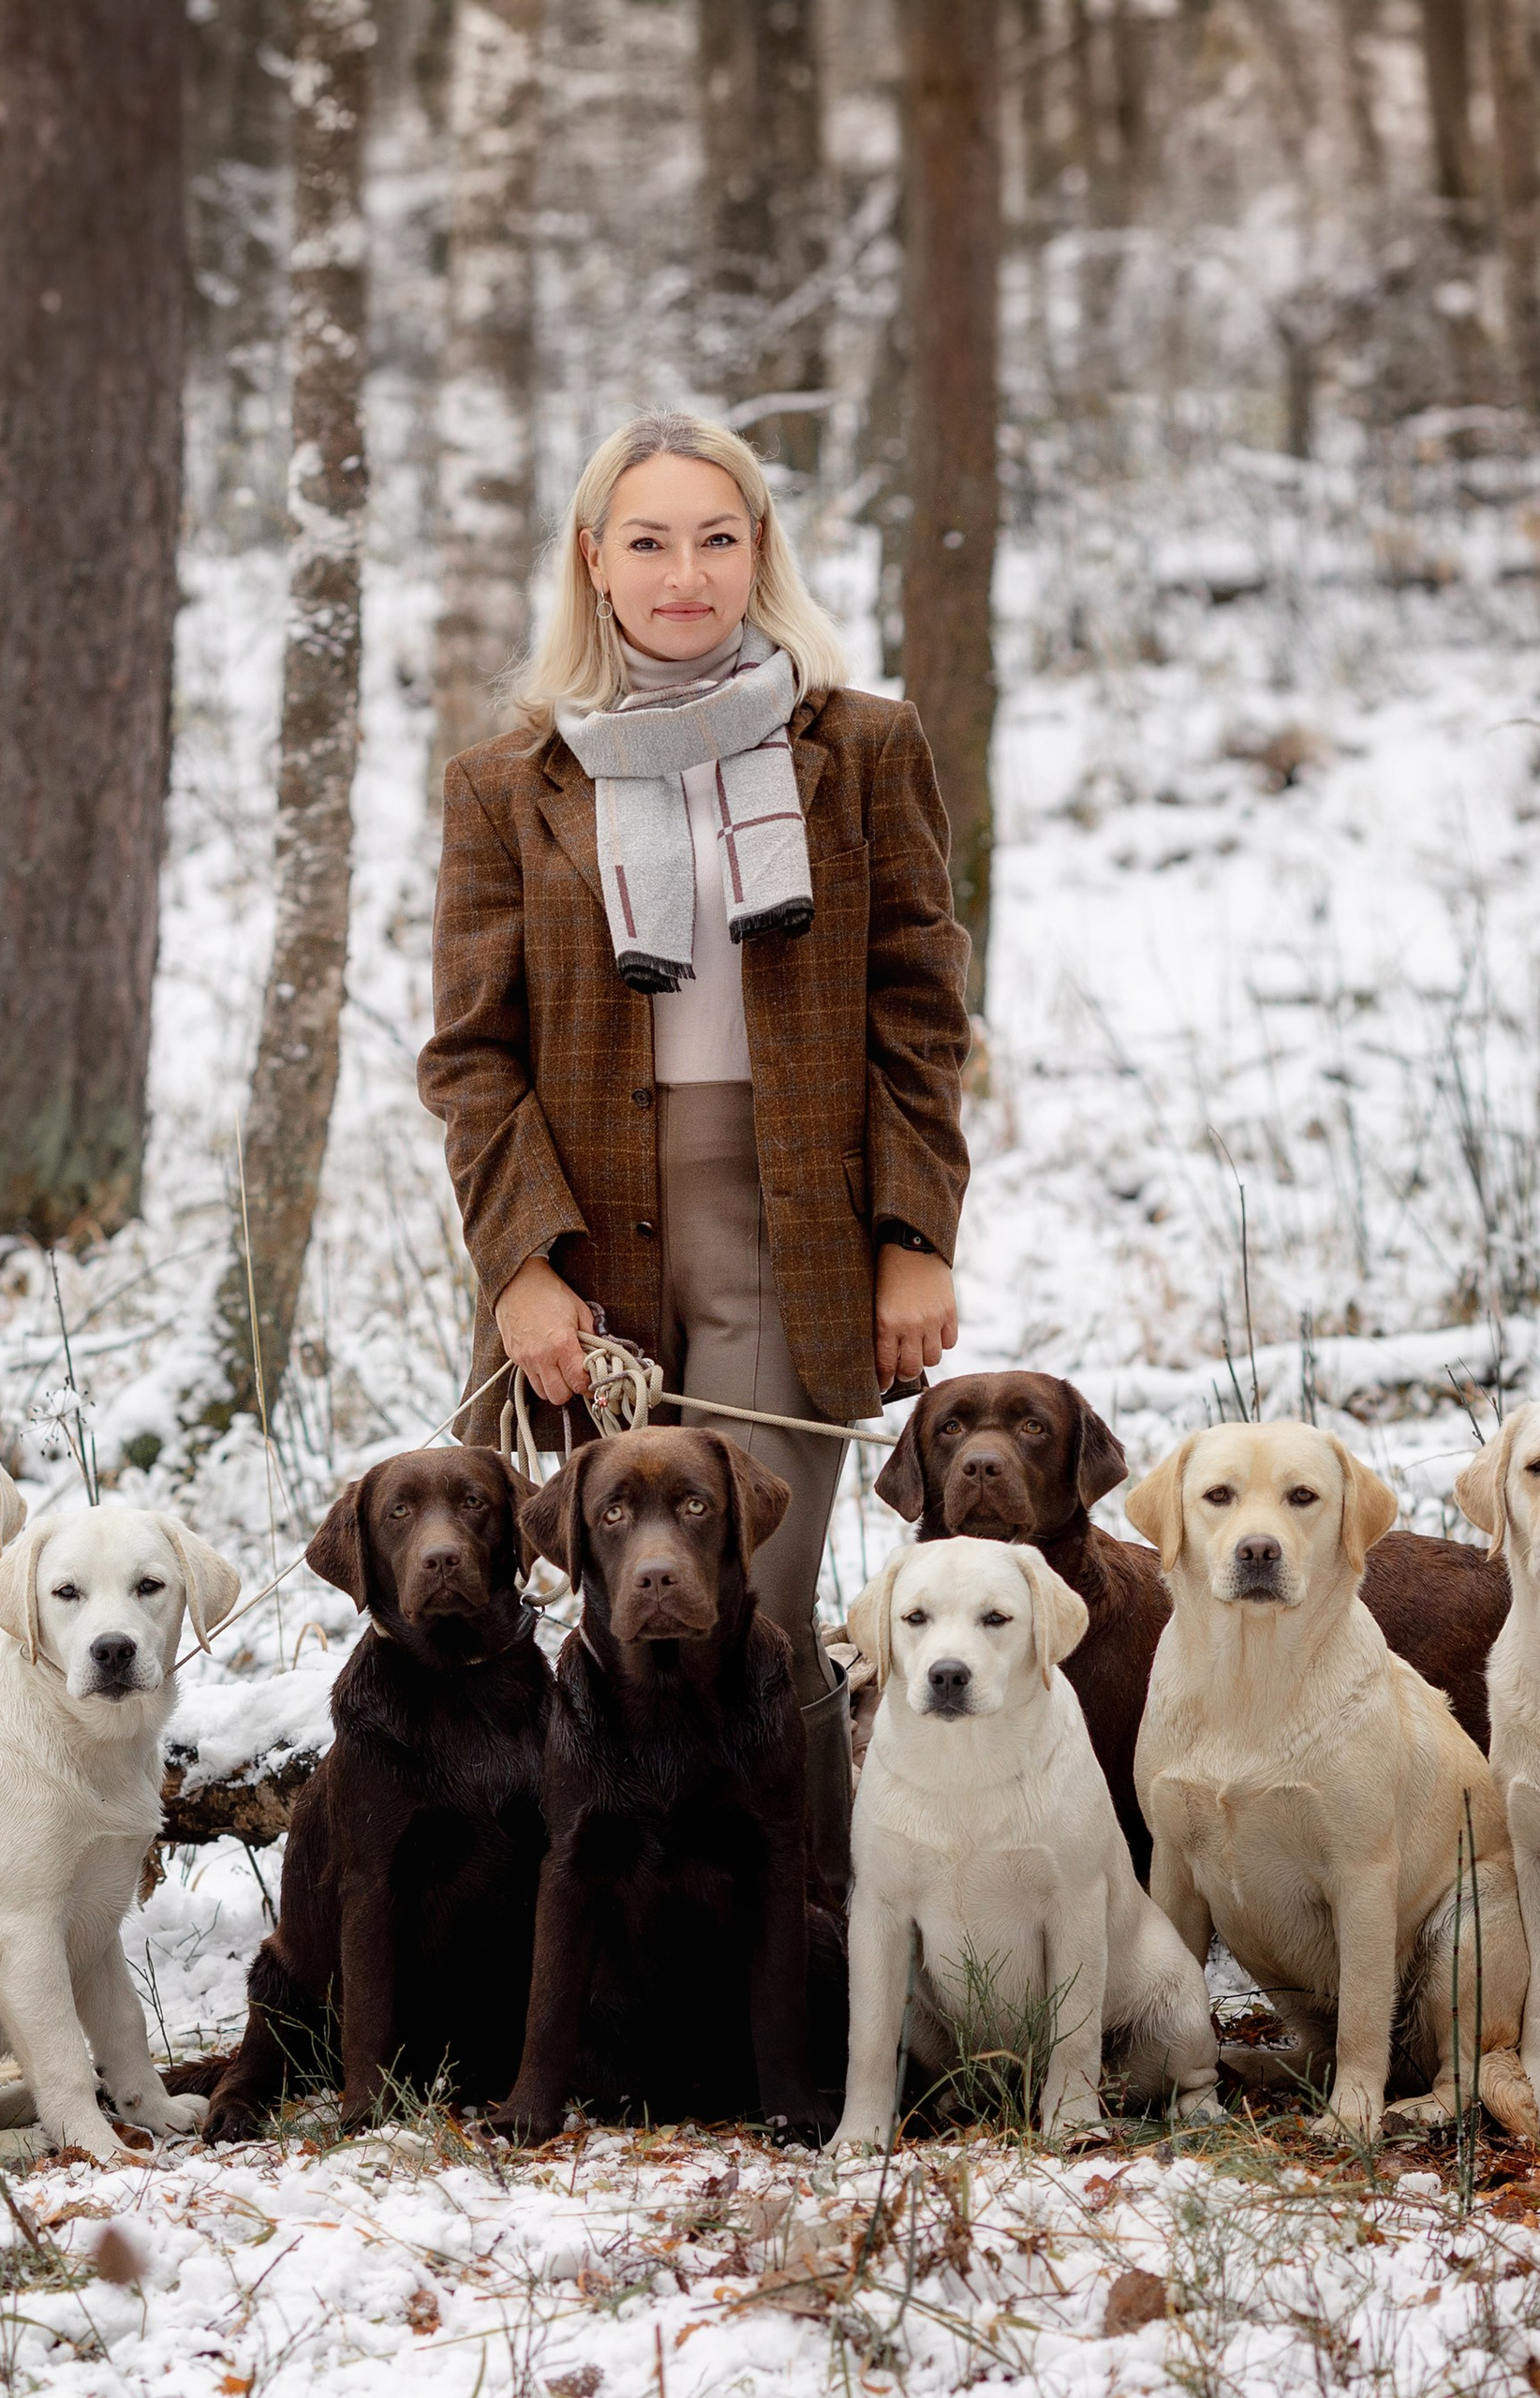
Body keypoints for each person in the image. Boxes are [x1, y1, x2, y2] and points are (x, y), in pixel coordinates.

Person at [419, 411, 972, 1902]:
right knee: (620, 1617)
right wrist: (525, 1269)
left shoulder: (859, 749)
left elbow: (920, 1010)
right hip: (598, 1236)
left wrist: (914, 1236)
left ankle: (811, 1961)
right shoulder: (508, 783)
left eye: (717, 538)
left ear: (760, 553)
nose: (685, 573)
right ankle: (615, 1981)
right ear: (594, 562)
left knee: (758, 1613)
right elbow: (473, 1055)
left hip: (794, 1223)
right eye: (648, 541)